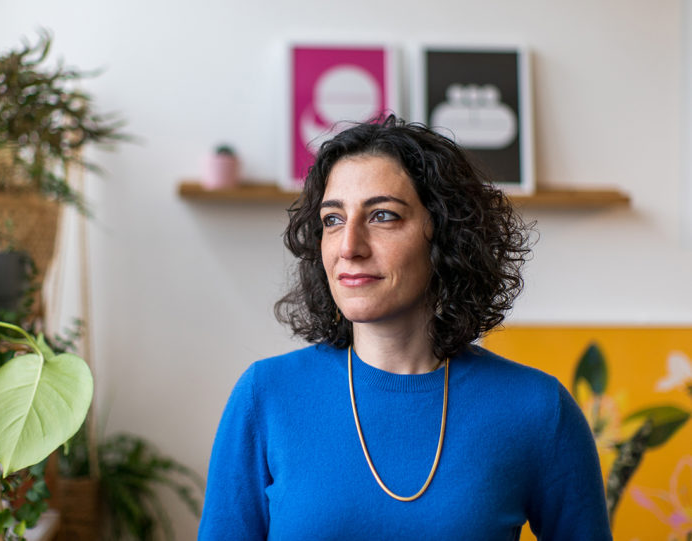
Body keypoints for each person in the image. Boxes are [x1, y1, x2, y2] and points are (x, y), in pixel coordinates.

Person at [198, 116, 611, 540]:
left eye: (382, 216)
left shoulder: (538, 410)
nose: (349, 247)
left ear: (445, 234)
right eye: (333, 220)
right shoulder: (265, 396)